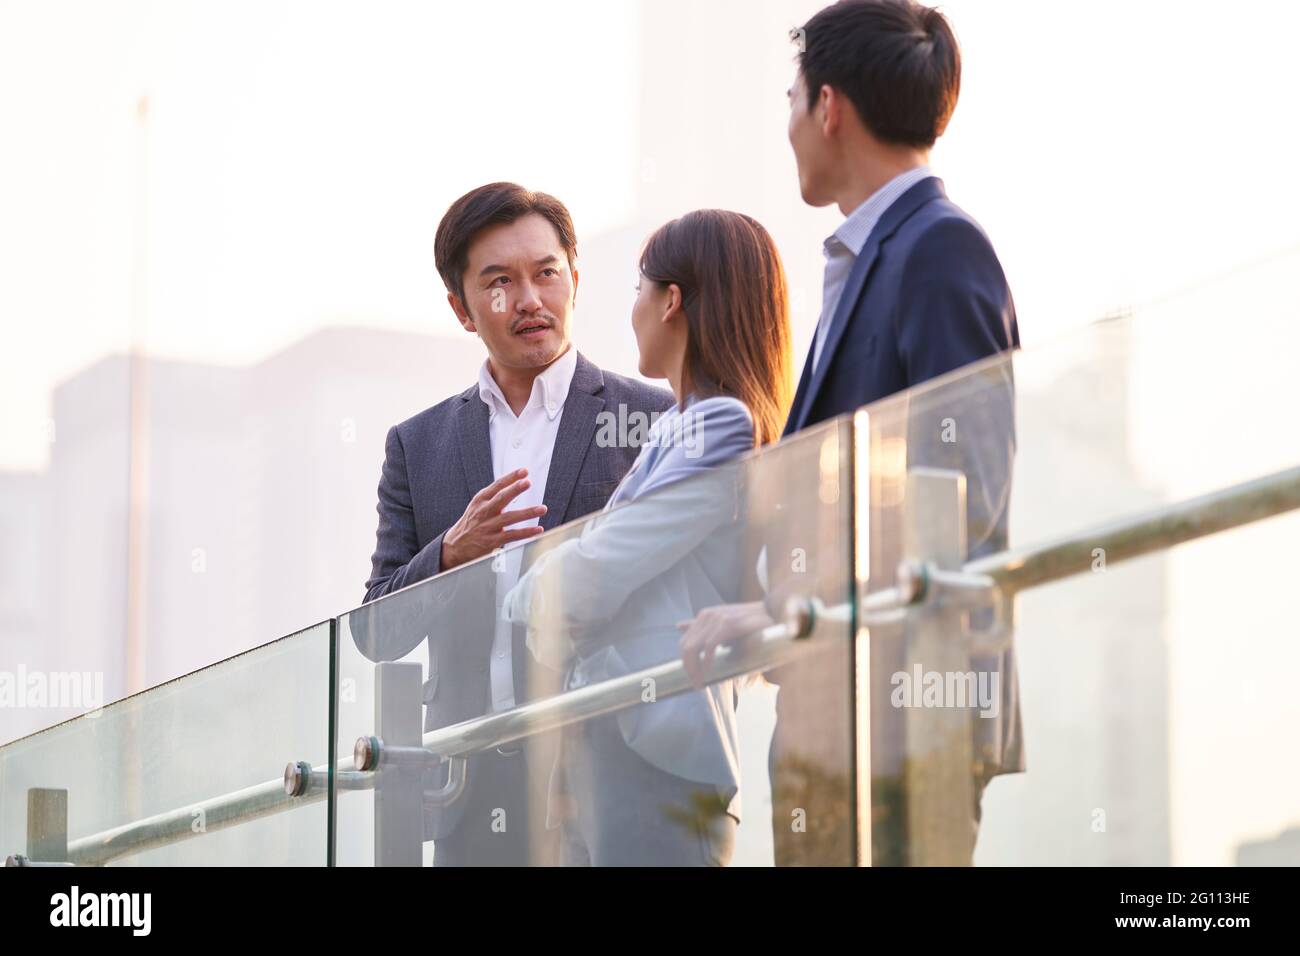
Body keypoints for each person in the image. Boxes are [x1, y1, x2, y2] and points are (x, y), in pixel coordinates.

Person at [680, 0, 1023, 865]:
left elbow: (965, 497)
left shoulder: (940, 249)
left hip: (907, 710)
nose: (789, 127)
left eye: (792, 102)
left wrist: (783, 606)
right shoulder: (867, 259)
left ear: (829, 107)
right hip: (837, 700)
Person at [353, 182, 674, 866]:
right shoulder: (419, 445)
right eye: (499, 282)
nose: (528, 299)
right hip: (468, 788)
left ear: (576, 281)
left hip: (610, 773)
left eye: (546, 274)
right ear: (461, 308)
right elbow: (375, 630)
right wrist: (449, 553)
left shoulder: (651, 418)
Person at [502, 209, 793, 866]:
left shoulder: (722, 424)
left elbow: (601, 568)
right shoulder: (679, 426)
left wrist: (521, 597)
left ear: (672, 302)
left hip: (657, 753)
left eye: (638, 288)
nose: (630, 308)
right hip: (608, 740)